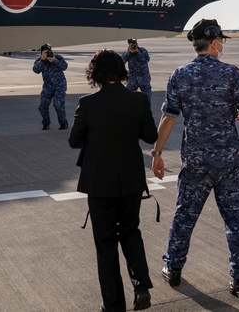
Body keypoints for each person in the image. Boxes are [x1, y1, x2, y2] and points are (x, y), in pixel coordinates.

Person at [151, 18, 239, 301]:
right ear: (213, 41)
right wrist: (237, 114)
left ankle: (173, 269)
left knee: (184, 217)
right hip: (229, 161)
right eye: (220, 39)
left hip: (196, 161)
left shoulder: (180, 75)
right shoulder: (231, 73)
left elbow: (168, 118)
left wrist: (157, 153)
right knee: (235, 222)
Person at [69, 49, 158, 312]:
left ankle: (113, 305)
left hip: (99, 184)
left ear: (94, 73)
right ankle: (141, 285)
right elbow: (150, 136)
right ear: (122, 71)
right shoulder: (138, 100)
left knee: (105, 244)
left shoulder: (87, 103)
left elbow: (74, 141)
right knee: (131, 232)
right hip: (131, 181)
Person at [33, 43, 68, 130]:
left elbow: (65, 66)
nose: (48, 54)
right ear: (41, 53)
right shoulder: (39, 61)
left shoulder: (57, 57)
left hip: (60, 85)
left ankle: (63, 123)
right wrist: (42, 60)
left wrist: (54, 60)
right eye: (45, 52)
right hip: (48, 86)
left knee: (58, 104)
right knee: (42, 105)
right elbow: (35, 70)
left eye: (49, 52)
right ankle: (46, 122)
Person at [121, 38, 152, 103]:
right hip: (133, 78)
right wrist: (127, 52)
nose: (133, 46)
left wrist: (137, 53)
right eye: (131, 44)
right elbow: (121, 62)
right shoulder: (128, 52)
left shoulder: (143, 50)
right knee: (127, 96)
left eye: (134, 44)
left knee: (147, 98)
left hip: (143, 78)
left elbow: (145, 60)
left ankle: (146, 110)